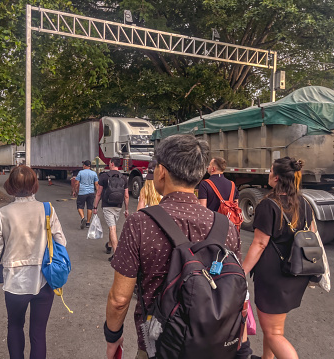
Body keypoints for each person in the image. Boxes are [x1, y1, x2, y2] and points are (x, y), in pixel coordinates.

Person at [103, 135, 244, 359]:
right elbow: (237, 291)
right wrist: (241, 346)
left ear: (162, 171)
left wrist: (113, 337)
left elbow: (119, 300)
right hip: (214, 345)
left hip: (159, 345)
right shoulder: (226, 226)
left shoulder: (140, 223)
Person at [0, 165, 67, 359]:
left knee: (14, 326)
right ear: (35, 184)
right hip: (45, 279)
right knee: (38, 333)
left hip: (15, 282)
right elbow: (61, 242)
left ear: (10, 185)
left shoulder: (3, 214)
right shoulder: (47, 209)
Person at [242, 157, 313, 359]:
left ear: (277, 177)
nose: (268, 174)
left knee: (274, 333)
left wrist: (242, 271)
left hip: (274, 274)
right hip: (297, 271)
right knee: (274, 328)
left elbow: (259, 244)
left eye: (270, 170)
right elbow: (312, 234)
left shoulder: (268, 205)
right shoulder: (304, 202)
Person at [93, 157, 129, 261]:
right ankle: (109, 245)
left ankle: (116, 254)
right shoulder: (124, 178)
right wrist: (126, 209)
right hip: (118, 205)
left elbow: (98, 193)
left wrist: (95, 207)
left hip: (107, 205)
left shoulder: (104, 176)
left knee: (112, 228)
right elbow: (126, 196)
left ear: (112, 164)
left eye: (109, 162)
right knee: (112, 226)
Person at [75, 160, 99, 229]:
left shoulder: (80, 173)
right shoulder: (94, 173)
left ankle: (83, 218)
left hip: (82, 192)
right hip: (91, 192)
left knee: (80, 206)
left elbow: (76, 183)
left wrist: (75, 191)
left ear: (85, 166)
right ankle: (88, 222)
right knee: (89, 207)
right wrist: (98, 193)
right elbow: (96, 184)